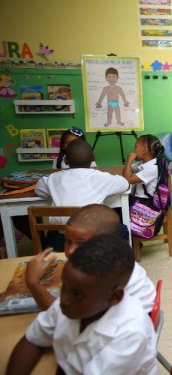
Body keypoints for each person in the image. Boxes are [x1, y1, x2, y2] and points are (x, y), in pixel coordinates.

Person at [6, 234, 158, 375]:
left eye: (78, 295)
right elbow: (32, 339)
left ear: (114, 297)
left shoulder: (130, 334)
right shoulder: (75, 303)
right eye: (64, 286)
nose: (64, 300)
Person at [25, 204, 156, 313]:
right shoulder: (110, 258)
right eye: (68, 241)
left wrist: (33, 283)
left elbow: (62, 316)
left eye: (81, 244)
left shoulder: (102, 276)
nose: (70, 250)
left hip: (126, 334)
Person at [35, 139, 130, 250]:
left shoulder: (53, 178)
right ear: (93, 158)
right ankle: (114, 263)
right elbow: (125, 184)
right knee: (122, 229)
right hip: (93, 240)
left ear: (65, 161)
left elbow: (38, 189)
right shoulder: (102, 178)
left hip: (62, 241)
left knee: (51, 233)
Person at [123, 134, 167, 201]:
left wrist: (129, 161)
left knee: (114, 207)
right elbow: (127, 171)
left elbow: (128, 179)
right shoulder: (143, 163)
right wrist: (128, 166)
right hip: (137, 198)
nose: (134, 150)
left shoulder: (152, 168)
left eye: (136, 147)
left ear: (144, 149)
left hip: (145, 203)